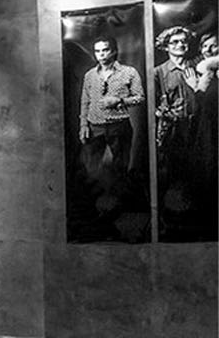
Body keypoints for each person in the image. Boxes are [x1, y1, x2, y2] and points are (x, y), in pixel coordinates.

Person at [153, 26, 217, 239]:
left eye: (183, 42)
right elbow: (152, 105)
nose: (180, 45)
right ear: (166, 47)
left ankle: (198, 225)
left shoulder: (199, 66)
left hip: (199, 129)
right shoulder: (159, 72)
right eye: (174, 42)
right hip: (173, 131)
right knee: (173, 176)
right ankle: (172, 225)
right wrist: (163, 114)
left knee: (198, 174)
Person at [77, 37, 145, 224]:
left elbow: (140, 97)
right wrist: (83, 125)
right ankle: (95, 214)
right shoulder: (90, 75)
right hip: (95, 126)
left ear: (114, 51)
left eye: (105, 50)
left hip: (119, 125)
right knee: (92, 170)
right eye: (98, 51)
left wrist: (120, 101)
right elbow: (85, 101)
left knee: (120, 169)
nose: (101, 55)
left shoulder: (129, 72)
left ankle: (120, 213)